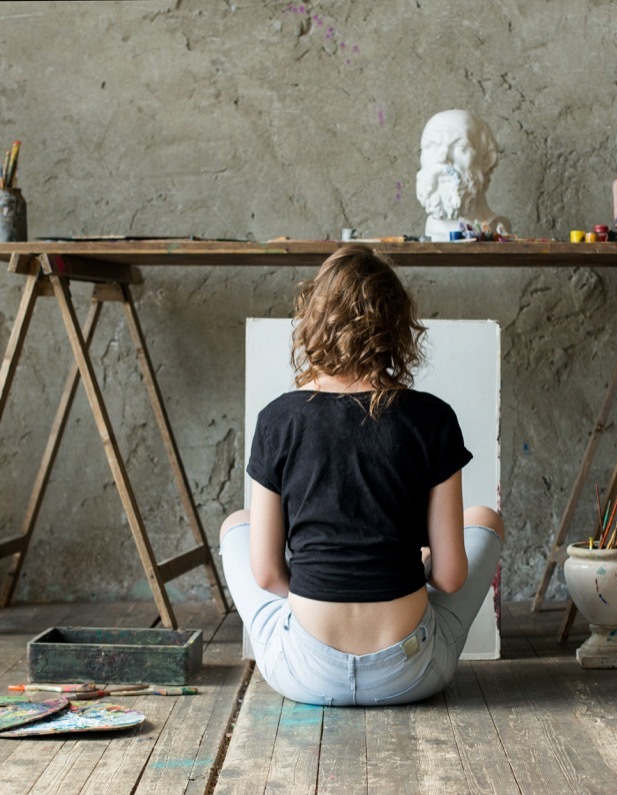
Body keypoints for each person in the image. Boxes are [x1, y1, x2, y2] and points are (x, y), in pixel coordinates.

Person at [219, 244, 506, 707]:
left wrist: (322, 586)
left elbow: (268, 575)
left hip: (306, 673)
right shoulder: (432, 418)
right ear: (397, 327)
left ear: (314, 321)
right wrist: (412, 565)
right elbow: (450, 578)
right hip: (408, 672)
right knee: (485, 519)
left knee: (237, 524)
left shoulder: (278, 419)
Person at [415, 109, 512, 240]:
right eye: (432, 146)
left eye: (460, 147)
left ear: (487, 159)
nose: (442, 158)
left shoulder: (496, 227)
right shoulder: (431, 229)